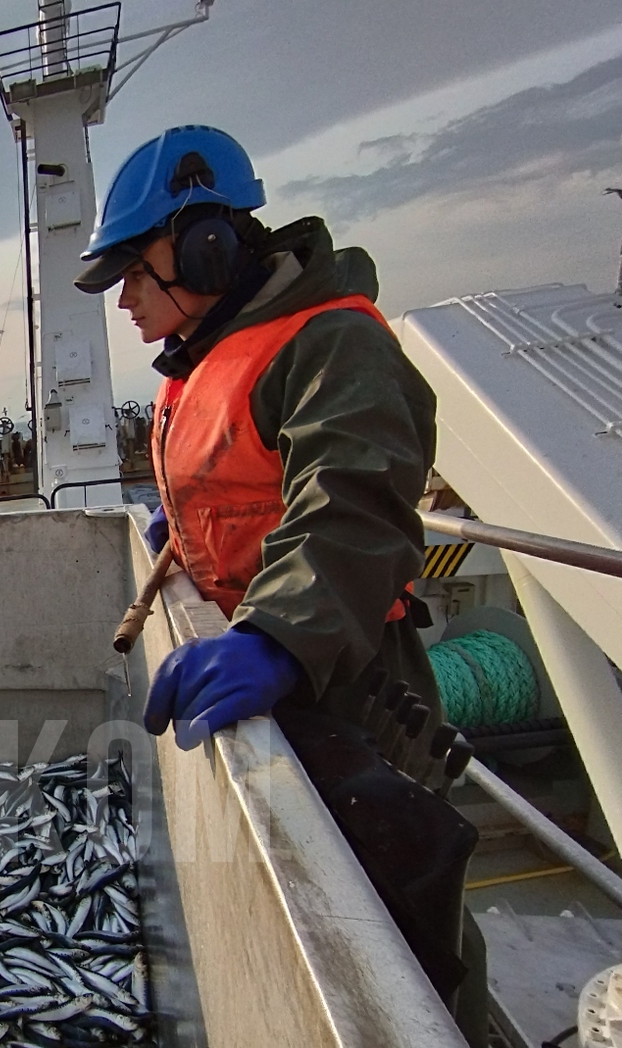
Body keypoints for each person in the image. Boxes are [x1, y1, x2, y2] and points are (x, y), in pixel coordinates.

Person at [74, 125, 440, 748]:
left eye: (134, 272)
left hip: (348, 685)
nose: (125, 299)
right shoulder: (201, 359)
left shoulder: (334, 346)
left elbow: (355, 505)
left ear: (205, 248)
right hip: (261, 663)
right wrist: (190, 524)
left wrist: (276, 637)